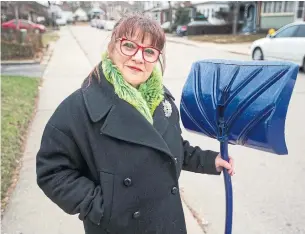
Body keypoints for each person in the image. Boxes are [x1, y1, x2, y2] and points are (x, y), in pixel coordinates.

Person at [36, 14, 235, 234]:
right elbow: (52, 171)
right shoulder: (79, 108)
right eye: (129, 46)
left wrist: (210, 161)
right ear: (112, 47)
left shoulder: (162, 101)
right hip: (118, 227)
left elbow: (171, 148)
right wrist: (101, 207)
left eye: (149, 51)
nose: (139, 57)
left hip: (167, 223)